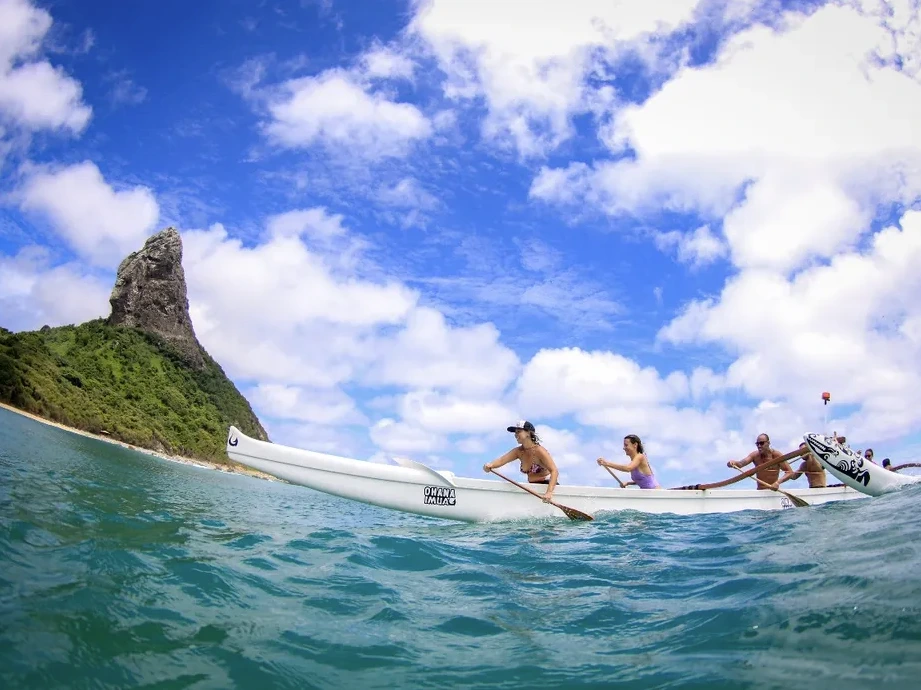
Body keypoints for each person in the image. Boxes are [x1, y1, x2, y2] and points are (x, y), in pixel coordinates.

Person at [483, 420, 560, 503]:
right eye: (515, 433)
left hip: (547, 488)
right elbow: (502, 460)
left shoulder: (539, 451)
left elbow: (554, 471)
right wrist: (490, 465)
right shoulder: (518, 451)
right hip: (533, 489)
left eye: (518, 432)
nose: (516, 435)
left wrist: (549, 492)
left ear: (528, 433)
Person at [727, 433, 795, 490]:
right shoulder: (754, 455)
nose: (759, 446)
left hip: (773, 492)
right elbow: (740, 464)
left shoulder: (776, 455)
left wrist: (778, 483)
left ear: (768, 443)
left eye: (761, 443)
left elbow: (790, 472)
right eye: (757, 444)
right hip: (760, 491)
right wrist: (733, 462)